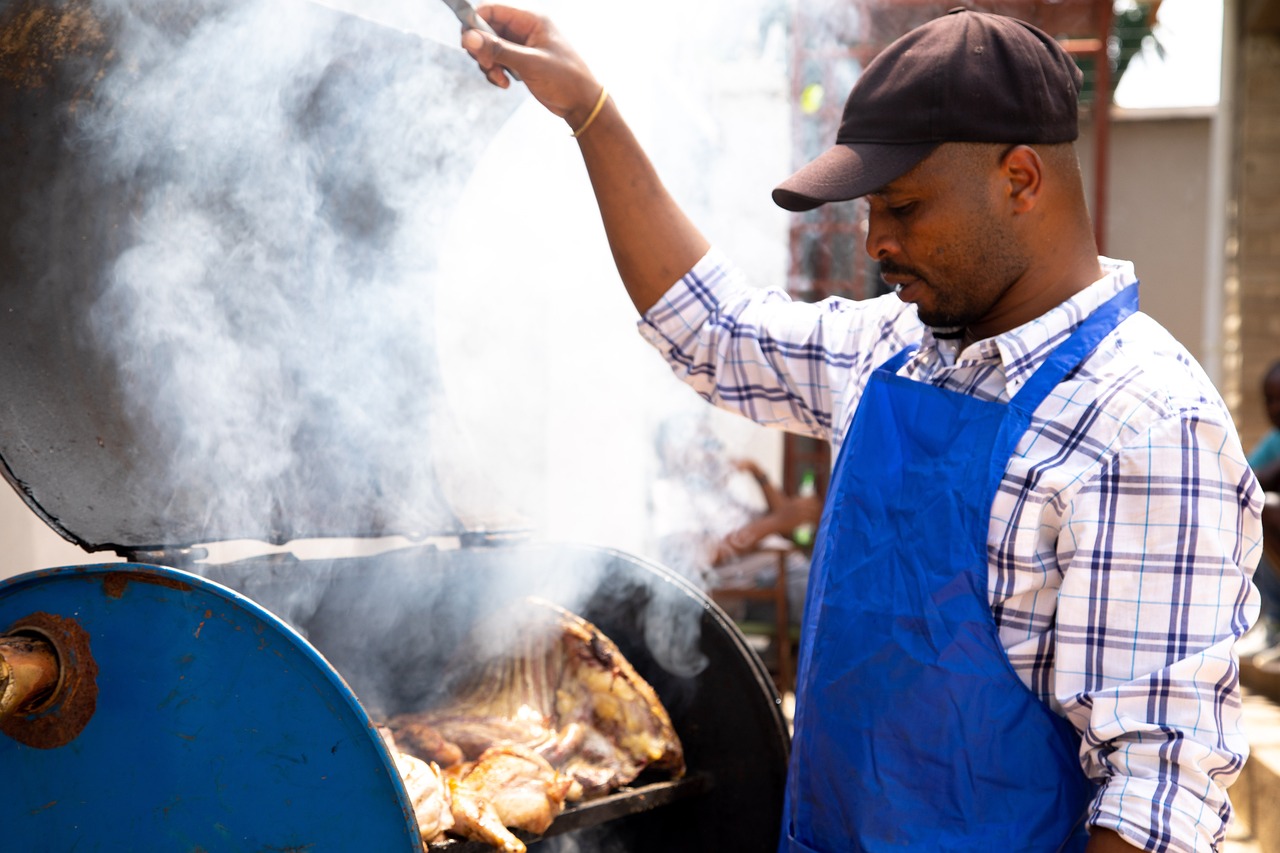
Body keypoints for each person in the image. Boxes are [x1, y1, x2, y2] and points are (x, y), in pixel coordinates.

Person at [458, 7, 1263, 853]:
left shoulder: (1143, 428)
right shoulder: (896, 351)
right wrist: (592, 113)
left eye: (904, 206)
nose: (877, 239)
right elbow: (716, 331)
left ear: (1020, 179)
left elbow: (1153, 799)